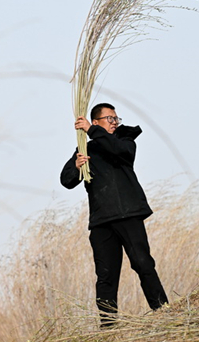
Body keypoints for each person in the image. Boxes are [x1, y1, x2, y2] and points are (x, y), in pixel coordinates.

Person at [60, 103, 168, 328]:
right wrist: (77, 167)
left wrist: (91, 130)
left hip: (128, 213)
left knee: (143, 263)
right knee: (106, 275)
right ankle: (108, 326)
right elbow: (66, 180)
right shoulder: (85, 148)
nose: (114, 122)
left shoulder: (124, 141)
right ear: (96, 121)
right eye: (109, 118)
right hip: (102, 220)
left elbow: (120, 152)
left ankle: (163, 313)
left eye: (116, 118)